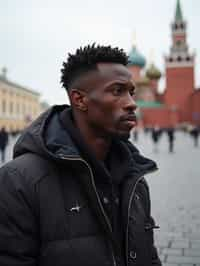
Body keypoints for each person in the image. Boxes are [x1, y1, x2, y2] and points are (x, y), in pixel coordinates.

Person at [0, 44, 161, 266]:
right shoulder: (18, 181)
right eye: (117, 91)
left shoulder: (134, 178)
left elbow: (149, 257)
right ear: (79, 100)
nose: (132, 104)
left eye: (131, 92)